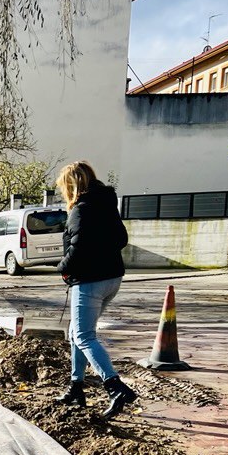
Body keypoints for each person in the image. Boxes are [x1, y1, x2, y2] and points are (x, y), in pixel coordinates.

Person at [53, 161, 138, 419]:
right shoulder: (106, 205)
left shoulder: (80, 210)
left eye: (64, 188)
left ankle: (115, 387)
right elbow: (121, 239)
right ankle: (76, 389)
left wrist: (62, 268)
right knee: (75, 333)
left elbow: (77, 249)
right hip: (112, 278)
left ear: (72, 186)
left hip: (89, 281)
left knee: (84, 335)